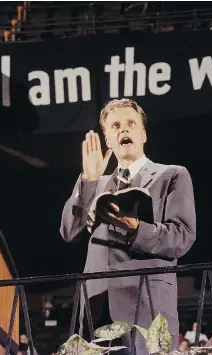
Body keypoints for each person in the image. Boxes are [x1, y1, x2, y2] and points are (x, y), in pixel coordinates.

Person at [60, 98, 196, 355]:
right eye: (115, 126)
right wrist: (88, 180)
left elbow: (182, 236)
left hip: (146, 306)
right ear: (108, 141)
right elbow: (68, 231)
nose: (123, 130)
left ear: (143, 134)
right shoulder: (95, 185)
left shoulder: (172, 175)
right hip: (97, 309)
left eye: (130, 124)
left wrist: (135, 228)